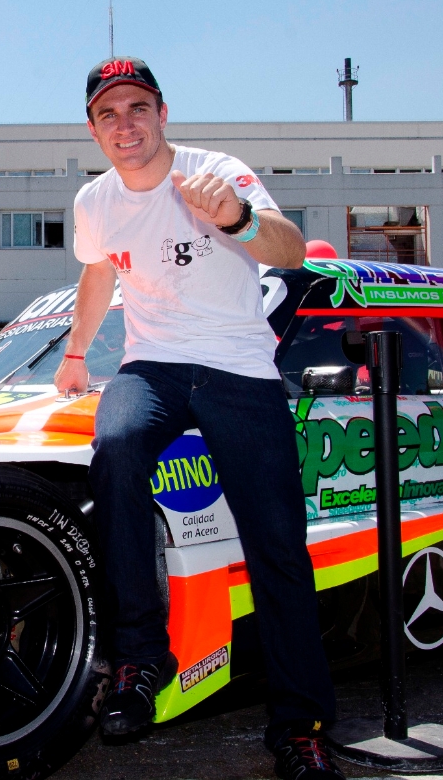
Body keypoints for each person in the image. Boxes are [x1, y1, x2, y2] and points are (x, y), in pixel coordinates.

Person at [54, 57, 342, 780]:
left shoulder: (216, 171)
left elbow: (291, 251)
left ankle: (301, 725)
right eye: (109, 114)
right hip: (152, 365)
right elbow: (98, 270)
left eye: (137, 108)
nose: (125, 125)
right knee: (117, 445)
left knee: (277, 541)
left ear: (162, 113)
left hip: (239, 367)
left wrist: (238, 219)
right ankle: (138, 663)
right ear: (93, 130)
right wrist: (76, 352)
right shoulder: (94, 201)